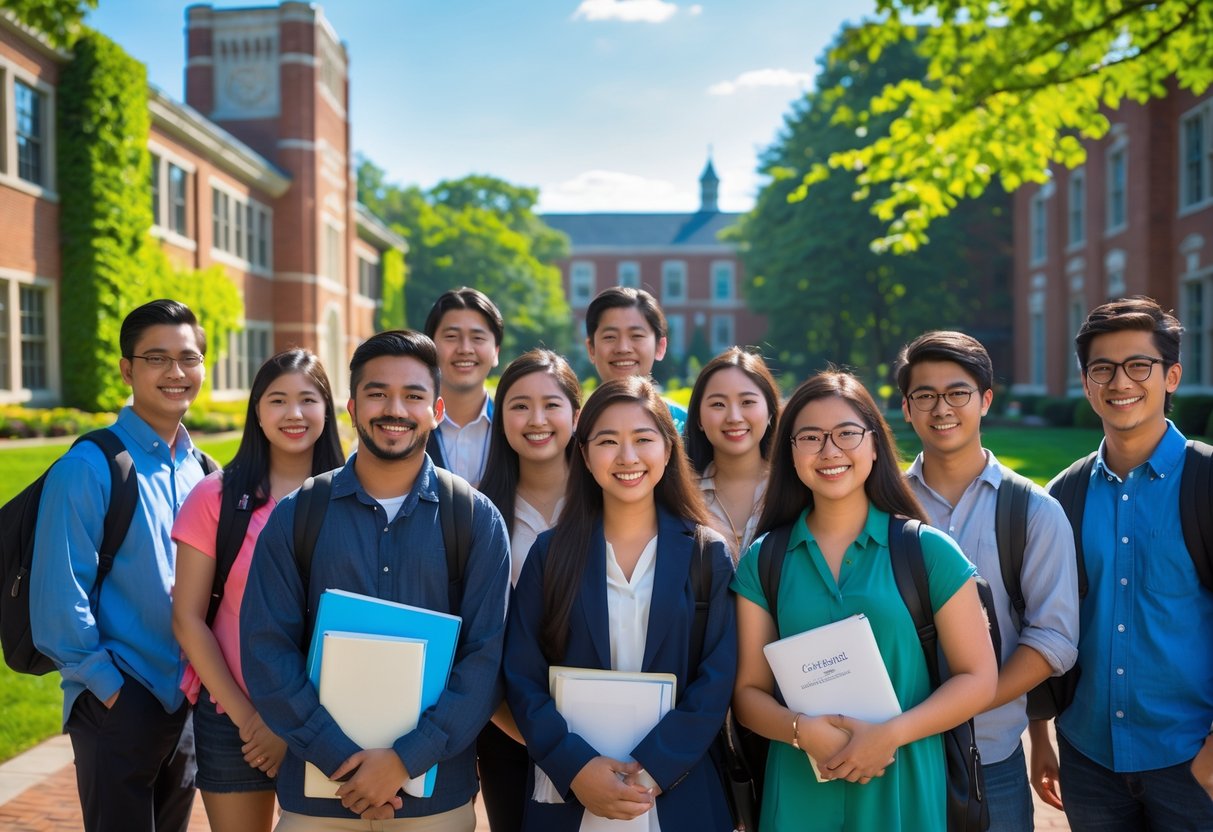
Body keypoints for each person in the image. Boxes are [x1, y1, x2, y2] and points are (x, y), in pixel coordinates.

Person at [239, 329, 510, 829]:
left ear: (438, 410)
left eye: (413, 395)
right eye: (378, 393)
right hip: (317, 798)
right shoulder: (298, 515)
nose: (395, 409)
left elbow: (486, 657)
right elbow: (266, 649)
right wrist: (343, 760)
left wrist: (405, 760)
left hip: (434, 798)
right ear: (351, 406)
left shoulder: (474, 519)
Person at [732, 370, 998, 831]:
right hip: (799, 787)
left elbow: (978, 678)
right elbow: (747, 694)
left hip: (905, 781)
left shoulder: (928, 552)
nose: (830, 450)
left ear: (874, 445)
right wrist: (799, 731)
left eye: (847, 434)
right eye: (811, 437)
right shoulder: (764, 560)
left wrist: (890, 734)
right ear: (790, 452)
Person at [504, 376, 736, 831]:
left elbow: (716, 679)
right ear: (585, 455)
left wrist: (654, 767)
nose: (627, 457)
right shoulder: (551, 554)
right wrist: (576, 766)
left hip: (678, 792)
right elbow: (521, 676)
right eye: (608, 441)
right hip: (570, 794)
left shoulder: (706, 554)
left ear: (668, 450)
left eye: (643, 439)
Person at [1027, 297, 1213, 830]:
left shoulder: (1207, 482)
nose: (1119, 382)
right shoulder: (1063, 494)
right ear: (1087, 383)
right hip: (1089, 757)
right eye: (1102, 369)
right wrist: (1041, 735)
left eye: (1139, 365)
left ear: (1171, 375)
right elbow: (1042, 616)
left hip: (1191, 760)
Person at [30, 299, 213, 832]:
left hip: (184, 703)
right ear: (128, 370)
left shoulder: (204, 470)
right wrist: (111, 691)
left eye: (188, 357)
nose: (176, 372)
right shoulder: (89, 466)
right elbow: (57, 600)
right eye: (157, 358)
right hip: (117, 700)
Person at [894, 330, 1079, 831]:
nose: (942, 408)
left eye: (958, 393)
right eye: (925, 396)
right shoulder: (882, 506)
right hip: (892, 762)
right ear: (906, 409)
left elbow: (1053, 640)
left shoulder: (1033, 510)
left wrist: (956, 704)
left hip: (990, 760)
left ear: (985, 400)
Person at [171, 349, 345, 832]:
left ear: (327, 410)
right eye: (277, 400)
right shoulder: (217, 496)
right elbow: (187, 617)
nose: (293, 414)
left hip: (330, 724)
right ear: (258, 412)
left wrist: (293, 723)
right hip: (234, 720)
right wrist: (251, 720)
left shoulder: (354, 497)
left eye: (308, 399)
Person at [476, 348, 582, 832]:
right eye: (519, 405)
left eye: (551, 405)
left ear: (577, 416)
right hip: (507, 726)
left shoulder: (611, 504)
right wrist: (517, 727)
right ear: (500, 420)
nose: (536, 419)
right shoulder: (477, 513)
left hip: (601, 723)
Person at [684, 347, 781, 562]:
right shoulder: (681, 495)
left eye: (747, 402)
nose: (734, 417)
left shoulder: (792, 488)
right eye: (718, 404)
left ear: (770, 412)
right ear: (699, 418)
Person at [423, 287, 503, 486]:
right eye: (451, 336)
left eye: (478, 338)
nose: (465, 349)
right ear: (430, 347)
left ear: (496, 352)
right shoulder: (409, 427)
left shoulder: (513, 428)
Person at [583, 286, 687, 431]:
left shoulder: (687, 425)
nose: (623, 348)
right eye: (610, 337)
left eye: (636, 336)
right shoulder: (576, 427)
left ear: (660, 347)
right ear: (591, 349)